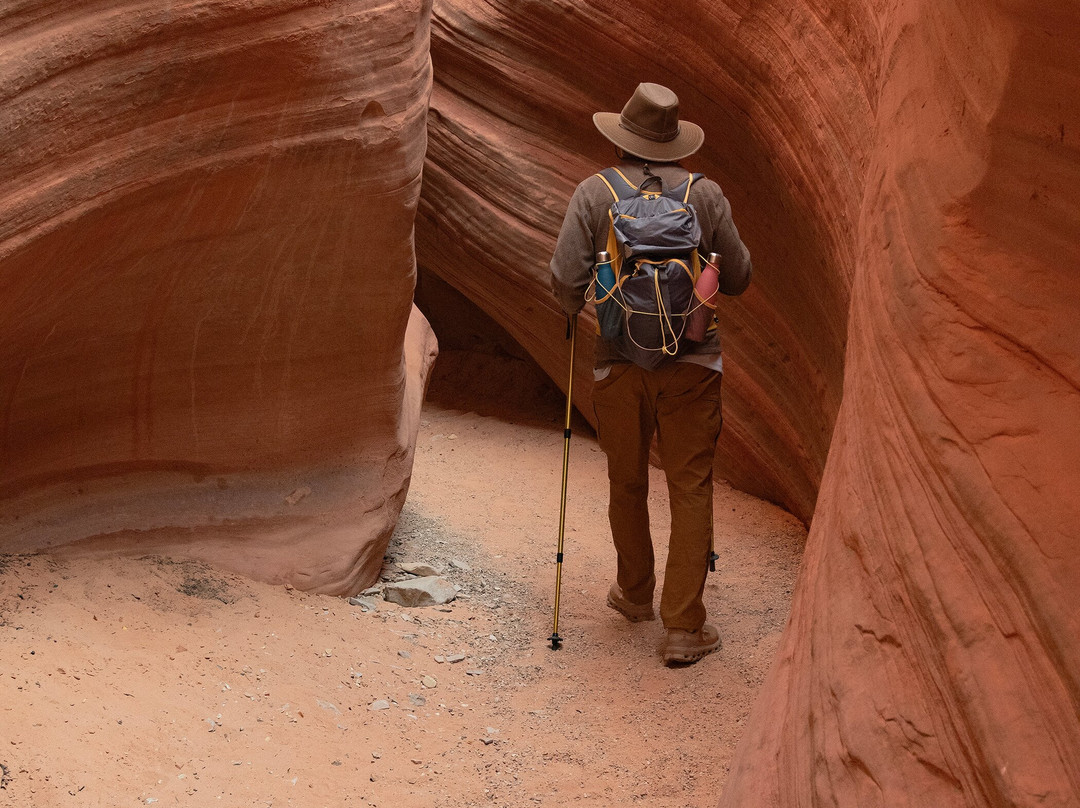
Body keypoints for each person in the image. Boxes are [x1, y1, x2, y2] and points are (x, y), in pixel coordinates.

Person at [549, 82, 752, 665]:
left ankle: (634, 594)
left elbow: (565, 279)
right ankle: (684, 627)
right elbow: (737, 276)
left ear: (622, 138)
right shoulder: (704, 194)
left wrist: (581, 308)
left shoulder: (595, 194)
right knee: (689, 487)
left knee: (626, 480)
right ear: (674, 142)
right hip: (692, 363)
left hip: (618, 362)